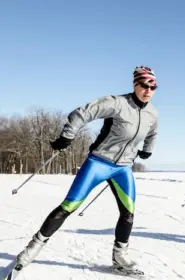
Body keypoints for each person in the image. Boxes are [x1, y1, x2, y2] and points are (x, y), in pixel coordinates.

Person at [14, 66, 159, 273]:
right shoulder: (117, 103)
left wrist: (147, 150)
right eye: (144, 85)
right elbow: (83, 112)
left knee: (128, 214)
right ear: (135, 84)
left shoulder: (152, 112)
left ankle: (119, 258)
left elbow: (153, 132)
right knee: (68, 207)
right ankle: (30, 251)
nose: (148, 90)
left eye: (153, 87)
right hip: (99, 163)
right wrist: (68, 135)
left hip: (123, 168)